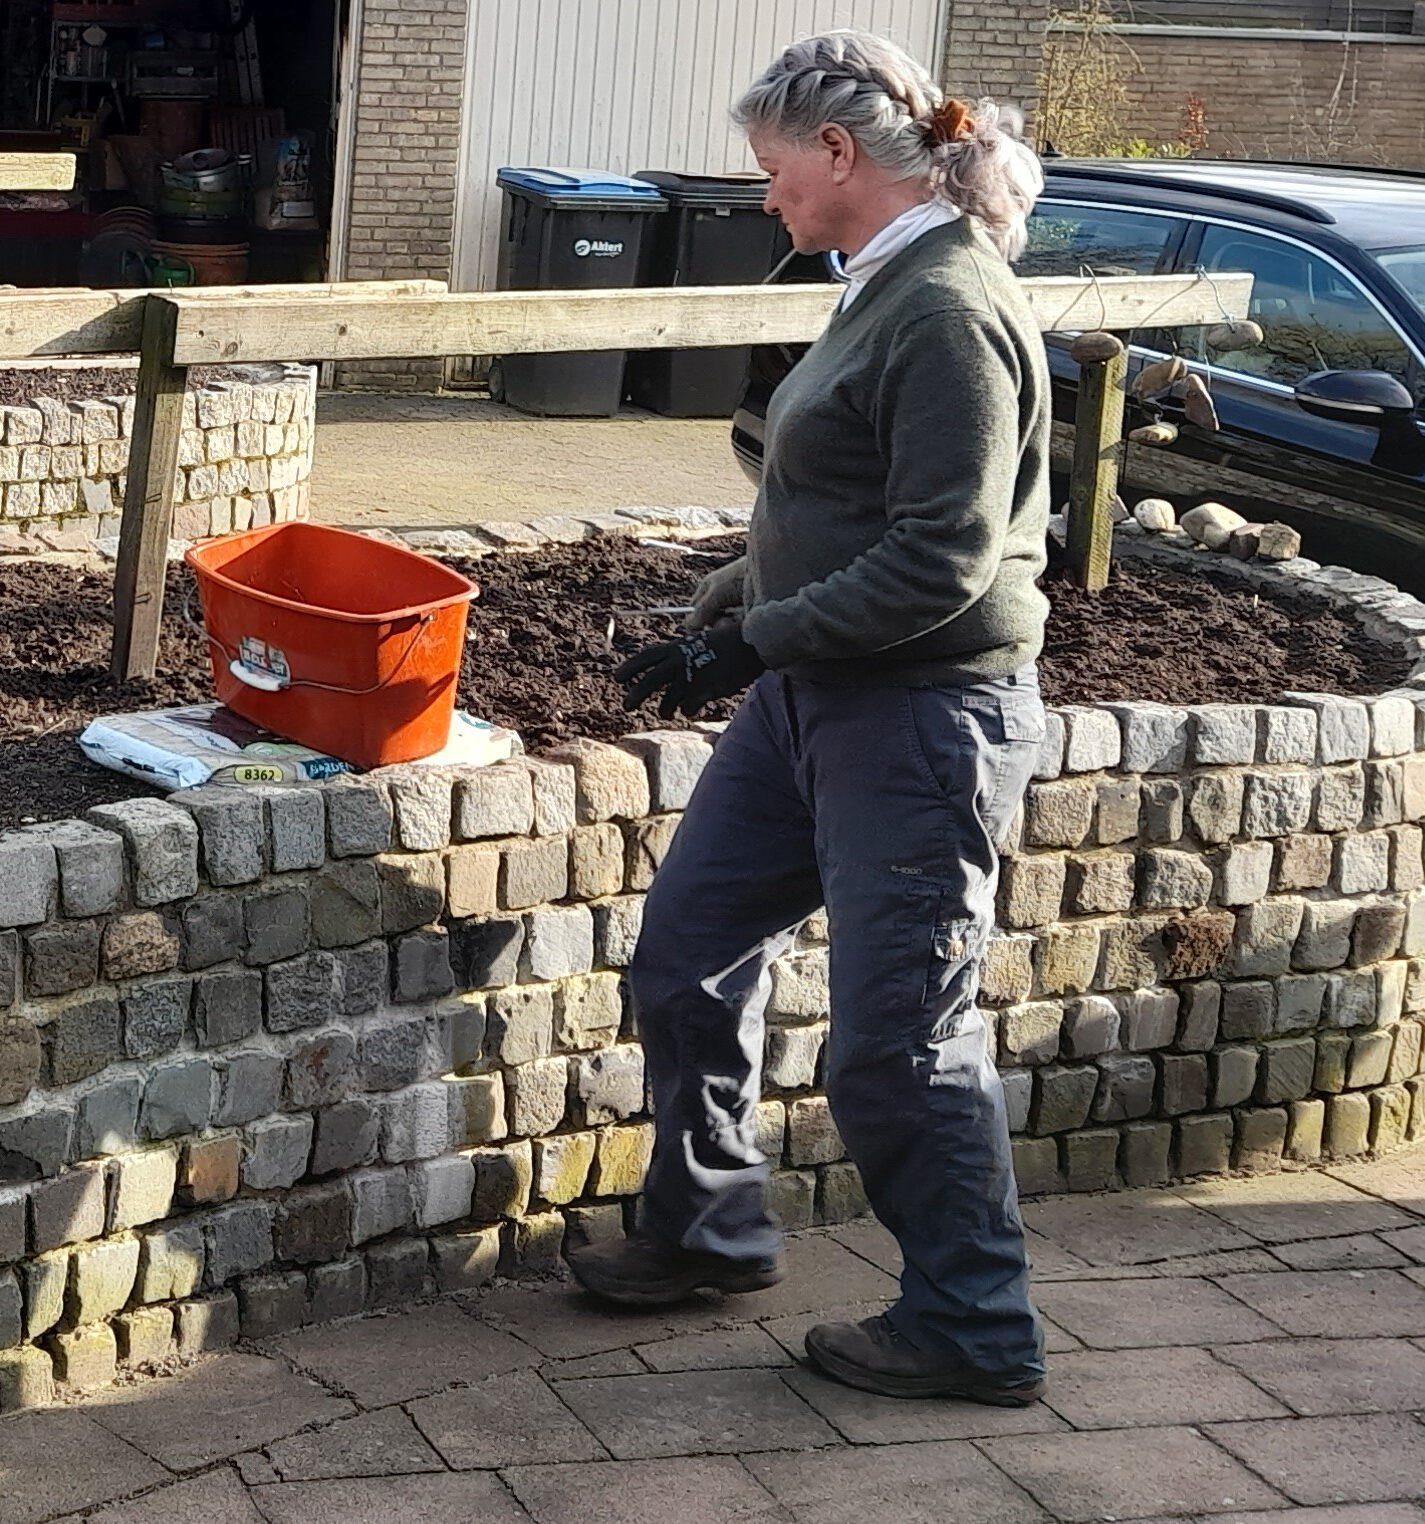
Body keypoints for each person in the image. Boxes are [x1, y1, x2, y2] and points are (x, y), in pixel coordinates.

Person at [569, 28, 1052, 1406]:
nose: (763, 193)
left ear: (837, 155)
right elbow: (834, 507)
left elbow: (941, 557)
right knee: (684, 959)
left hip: (917, 718)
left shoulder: (949, 308)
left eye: (770, 169)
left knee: (898, 1041)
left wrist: (751, 643)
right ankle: (707, 1229)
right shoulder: (877, 286)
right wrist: (726, 609)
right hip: (809, 703)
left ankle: (971, 1325)